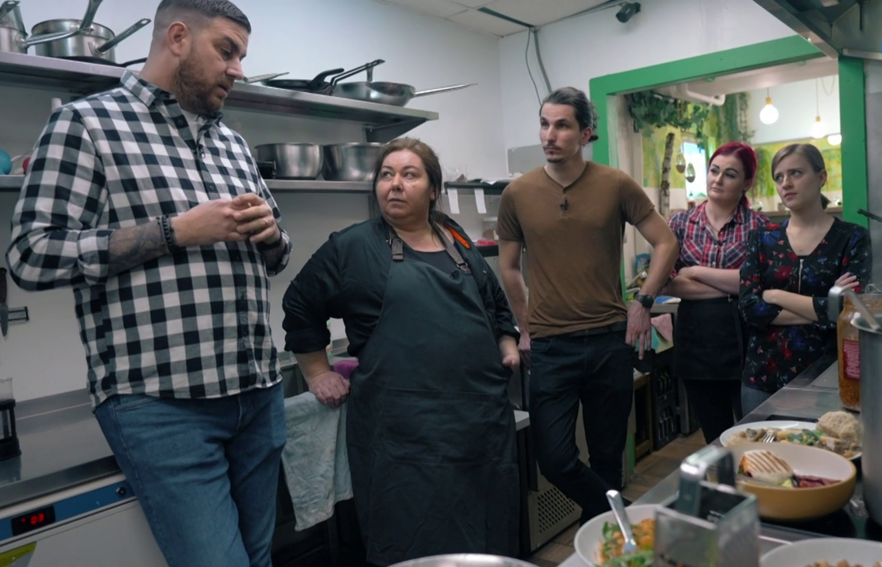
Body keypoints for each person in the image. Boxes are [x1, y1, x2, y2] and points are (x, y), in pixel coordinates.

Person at [5, 1, 291, 566]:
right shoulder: (87, 124)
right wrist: (174, 231)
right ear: (178, 38)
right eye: (227, 51)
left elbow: (278, 257)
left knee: (259, 558)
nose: (238, 70)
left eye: (241, 56)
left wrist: (271, 236)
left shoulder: (232, 143)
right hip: (163, 406)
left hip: (258, 392)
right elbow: (30, 255)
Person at [282, 138, 520, 567]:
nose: (394, 184)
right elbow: (300, 305)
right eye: (386, 175)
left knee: (484, 539)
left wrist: (506, 344)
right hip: (404, 440)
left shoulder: (455, 239)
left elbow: (495, 302)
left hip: (478, 427)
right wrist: (317, 372)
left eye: (409, 175)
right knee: (413, 542)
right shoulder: (353, 247)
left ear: (433, 189)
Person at [496, 87, 679, 522]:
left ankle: (606, 540)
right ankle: (631, 521)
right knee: (555, 459)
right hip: (551, 348)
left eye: (562, 125)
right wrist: (525, 327)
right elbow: (509, 268)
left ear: (585, 133)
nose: (549, 135)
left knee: (607, 461)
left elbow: (666, 242)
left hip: (608, 342)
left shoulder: (615, 184)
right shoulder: (517, 193)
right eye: (544, 124)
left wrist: (643, 302)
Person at [740, 143, 871, 414]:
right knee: (763, 443)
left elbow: (848, 310)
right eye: (779, 177)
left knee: (823, 442)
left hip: (826, 376)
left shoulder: (851, 238)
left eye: (796, 173)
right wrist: (824, 308)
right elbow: (750, 308)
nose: (786, 183)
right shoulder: (762, 238)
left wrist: (775, 295)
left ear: (821, 177)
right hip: (763, 377)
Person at [663, 142, 769, 444]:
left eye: (730, 174)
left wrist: (695, 271)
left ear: (746, 183)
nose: (718, 179)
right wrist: (733, 286)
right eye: (714, 170)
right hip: (696, 343)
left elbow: (759, 285)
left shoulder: (760, 227)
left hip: (747, 342)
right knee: (715, 438)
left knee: (754, 436)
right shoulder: (680, 224)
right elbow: (668, 283)